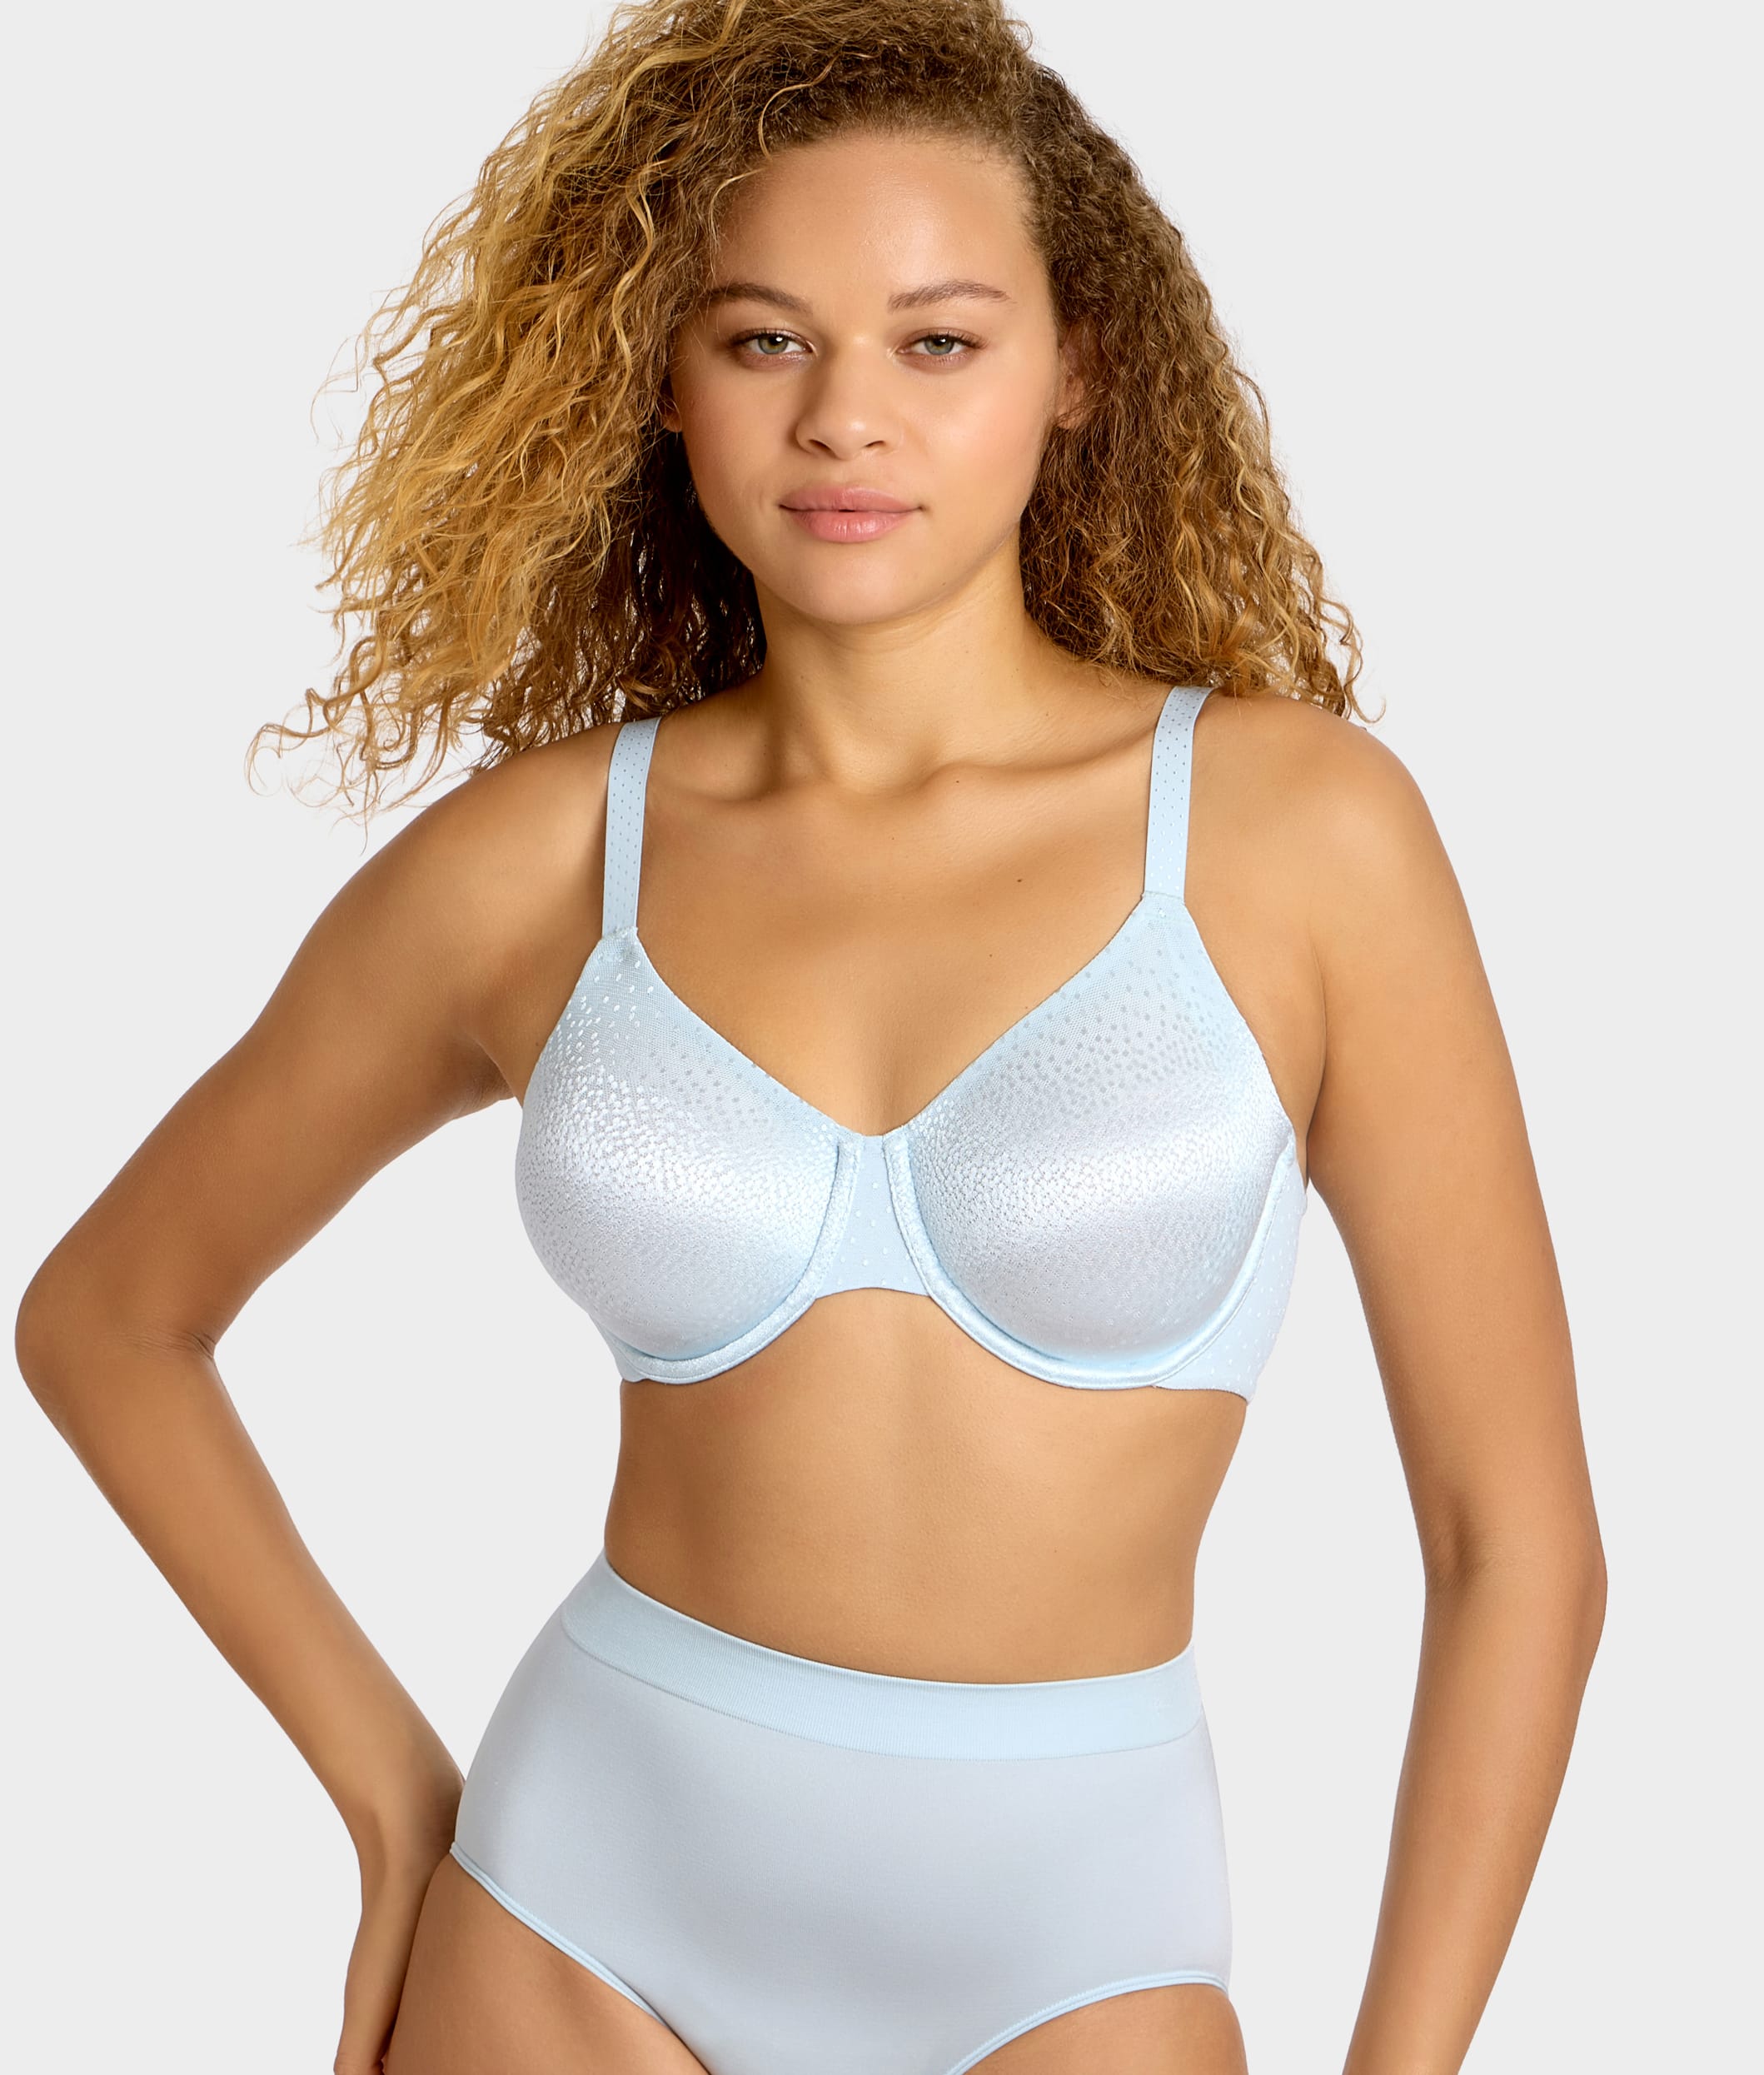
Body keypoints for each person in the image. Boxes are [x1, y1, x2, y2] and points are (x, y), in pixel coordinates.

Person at [13, 2, 1607, 2071]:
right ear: (663, 381)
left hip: (1075, 1953)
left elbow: (1515, 1545)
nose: (848, 418)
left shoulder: (1300, 839)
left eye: (938, 342)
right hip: (575, 1921)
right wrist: (396, 1796)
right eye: (765, 339)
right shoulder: (541, 864)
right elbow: (110, 1316)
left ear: (1078, 368)